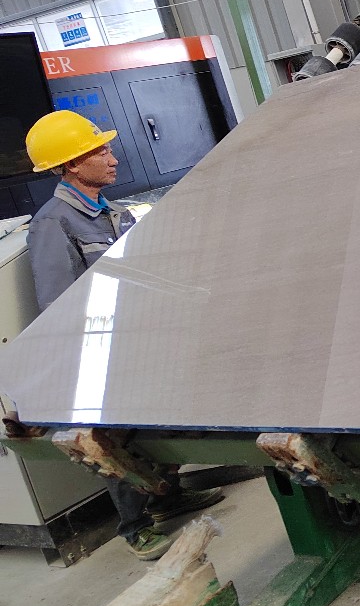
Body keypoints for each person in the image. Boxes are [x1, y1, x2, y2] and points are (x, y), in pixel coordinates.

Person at [24, 110, 223, 560]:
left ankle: (169, 496)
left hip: (138, 336)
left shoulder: (111, 212)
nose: (113, 159)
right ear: (72, 164)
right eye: (101, 152)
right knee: (114, 436)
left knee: (158, 419)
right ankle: (135, 527)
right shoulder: (54, 223)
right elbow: (58, 303)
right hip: (101, 348)